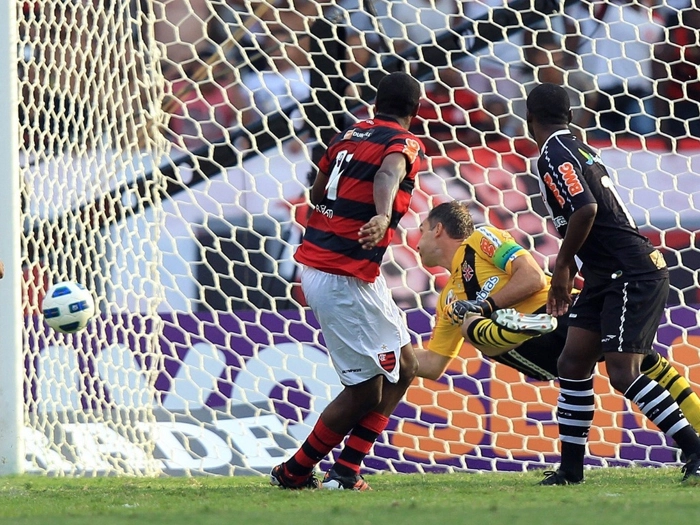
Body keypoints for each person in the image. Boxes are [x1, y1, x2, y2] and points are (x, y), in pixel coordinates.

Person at [525, 82, 700, 485]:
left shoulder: (553, 151)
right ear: (569, 116)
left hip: (630, 272)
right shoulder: (580, 147)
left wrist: (563, 265)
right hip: (609, 274)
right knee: (572, 363)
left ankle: (695, 448)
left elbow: (585, 208)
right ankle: (570, 470)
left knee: (623, 373)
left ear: (529, 119)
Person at [413, 200, 700, 435]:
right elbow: (433, 364)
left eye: (421, 229)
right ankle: (519, 329)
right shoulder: (447, 297)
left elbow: (534, 278)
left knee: (642, 359)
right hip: (539, 348)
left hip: (560, 316)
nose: (416, 240)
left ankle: (695, 431)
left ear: (438, 229)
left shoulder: (481, 239)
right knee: (469, 324)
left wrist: (485, 306)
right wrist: (388, 354)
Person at [270, 71, 425, 491]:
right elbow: (388, 174)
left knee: (405, 367)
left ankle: (346, 469)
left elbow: (318, 193)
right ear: (414, 112)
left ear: (375, 104)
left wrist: (342, 207)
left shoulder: (347, 137)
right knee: (365, 390)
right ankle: (296, 471)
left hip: (350, 271)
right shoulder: (404, 142)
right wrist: (379, 213)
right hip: (340, 275)